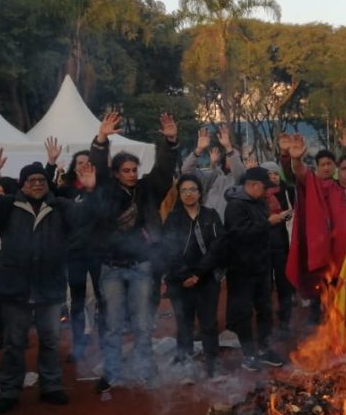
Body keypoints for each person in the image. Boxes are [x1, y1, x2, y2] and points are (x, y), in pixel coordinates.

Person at [0, 148, 99, 414]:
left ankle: (51, 386)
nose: (37, 184)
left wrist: (89, 192)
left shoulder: (60, 207)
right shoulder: (7, 206)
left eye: (42, 180)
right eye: (31, 180)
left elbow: (85, 216)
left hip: (49, 286)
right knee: (14, 342)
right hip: (15, 286)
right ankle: (9, 390)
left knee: (51, 340)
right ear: (22, 184)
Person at [90, 111, 178, 392]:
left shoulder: (147, 189)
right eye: (126, 171)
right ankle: (112, 372)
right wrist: (101, 139)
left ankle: (145, 370)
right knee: (114, 324)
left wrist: (170, 141)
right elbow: (98, 169)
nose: (131, 174)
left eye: (134, 170)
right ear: (116, 173)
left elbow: (164, 172)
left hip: (141, 265)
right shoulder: (106, 190)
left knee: (142, 324)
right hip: (111, 266)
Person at [285, 135, 346, 323]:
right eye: (345, 169)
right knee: (327, 319)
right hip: (331, 270)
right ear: (338, 171)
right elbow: (303, 176)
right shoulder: (327, 188)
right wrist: (296, 160)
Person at [224, 167, 289, 370]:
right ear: (253, 185)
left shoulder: (259, 203)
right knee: (244, 312)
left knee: (265, 309)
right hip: (242, 268)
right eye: (264, 187)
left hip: (262, 266)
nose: (266, 192)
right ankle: (249, 353)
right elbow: (238, 235)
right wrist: (268, 223)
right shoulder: (235, 206)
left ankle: (264, 348)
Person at [47, 141, 105, 366]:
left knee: (103, 298)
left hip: (98, 252)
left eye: (86, 163)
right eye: (79, 163)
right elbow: (47, 194)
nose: (82, 166)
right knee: (77, 301)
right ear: (73, 166)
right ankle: (79, 344)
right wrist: (51, 163)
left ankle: (106, 344)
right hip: (74, 253)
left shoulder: (99, 190)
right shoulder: (65, 191)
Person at [162, 174, 224, 377]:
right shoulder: (172, 219)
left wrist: (197, 273)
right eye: (184, 190)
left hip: (206, 278)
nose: (188, 194)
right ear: (179, 194)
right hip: (179, 281)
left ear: (200, 193)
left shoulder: (211, 215)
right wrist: (185, 275)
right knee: (184, 324)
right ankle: (186, 364)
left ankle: (212, 365)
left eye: (192, 190)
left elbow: (218, 248)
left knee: (208, 323)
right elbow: (169, 251)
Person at [261, 161, 296, 336]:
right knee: (265, 286)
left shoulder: (287, 191)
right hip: (263, 247)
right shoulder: (257, 195)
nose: (272, 177)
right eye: (268, 175)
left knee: (284, 284)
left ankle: (285, 320)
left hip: (283, 244)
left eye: (275, 174)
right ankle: (266, 323)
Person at [182, 125, 245, 221]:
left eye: (234, 156)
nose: (231, 158)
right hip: (206, 225)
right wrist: (198, 150)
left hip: (228, 228)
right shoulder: (214, 176)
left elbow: (239, 171)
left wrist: (228, 147)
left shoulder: (240, 178)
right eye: (229, 155)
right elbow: (186, 171)